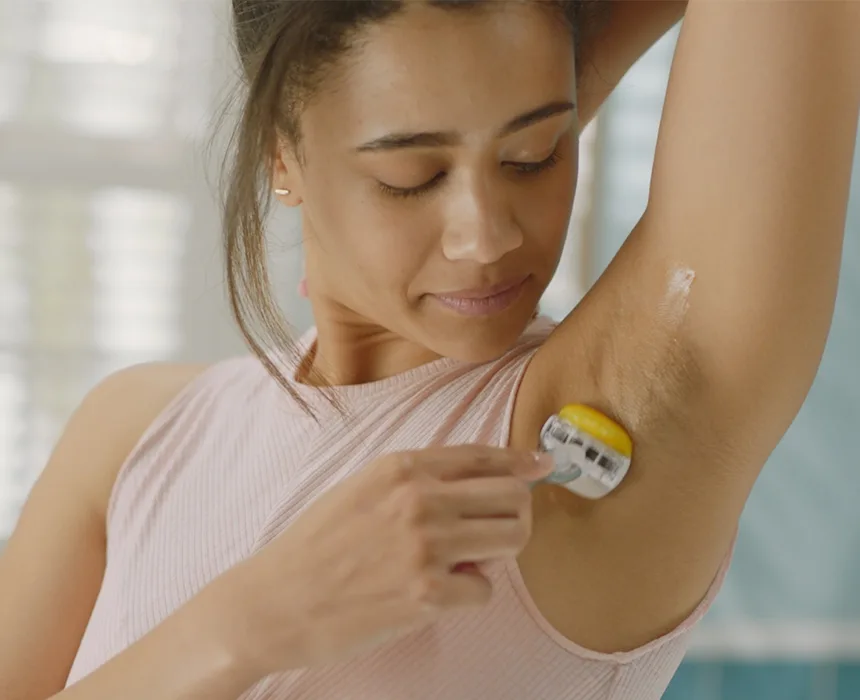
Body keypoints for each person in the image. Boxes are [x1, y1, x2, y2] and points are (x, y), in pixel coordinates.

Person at [1, 1, 858, 698]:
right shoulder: (132, 434)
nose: (485, 238)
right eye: (410, 176)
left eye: (534, 155)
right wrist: (245, 624)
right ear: (281, 155)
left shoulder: (591, 431)